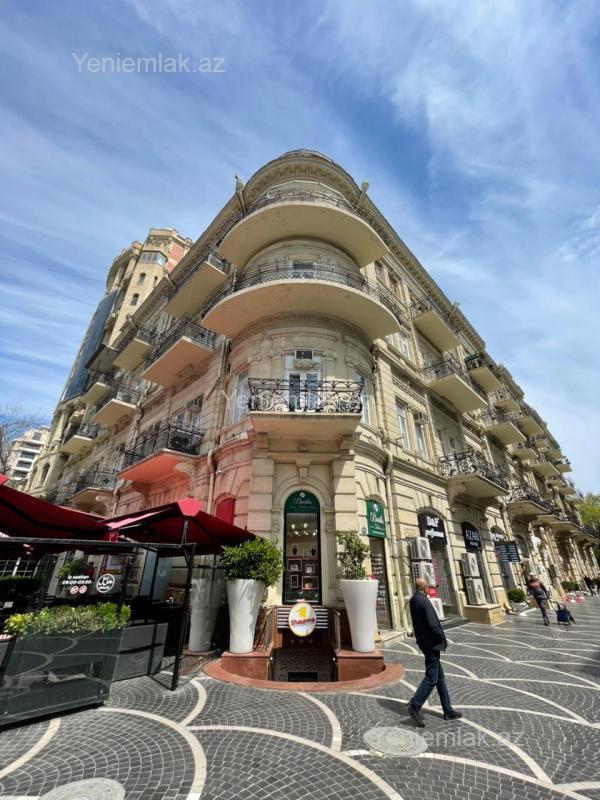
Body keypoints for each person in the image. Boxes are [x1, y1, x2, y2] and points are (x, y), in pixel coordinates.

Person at [407, 578, 462, 727]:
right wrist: (442, 638)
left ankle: (448, 710)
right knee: (432, 677)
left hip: (424, 642)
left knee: (439, 678)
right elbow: (433, 624)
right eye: (427, 586)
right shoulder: (424, 601)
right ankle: (415, 705)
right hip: (432, 644)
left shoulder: (413, 600)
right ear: (424, 587)